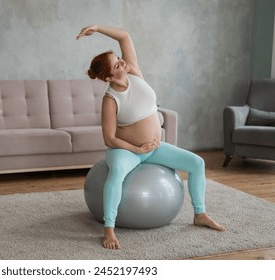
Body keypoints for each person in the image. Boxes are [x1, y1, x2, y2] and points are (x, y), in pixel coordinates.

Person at [76, 25, 225, 250]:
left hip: (154, 147)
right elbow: (109, 139)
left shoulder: (133, 72)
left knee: (197, 163)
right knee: (116, 173)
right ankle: (109, 229)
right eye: (117, 64)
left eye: (119, 58)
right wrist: (135, 150)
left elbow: (125, 35)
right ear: (108, 76)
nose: (122, 62)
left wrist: (96, 28)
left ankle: (200, 213)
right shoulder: (110, 99)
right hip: (126, 151)